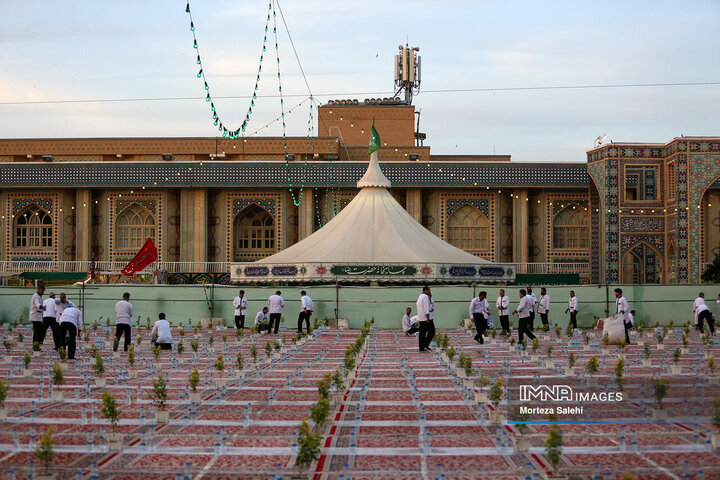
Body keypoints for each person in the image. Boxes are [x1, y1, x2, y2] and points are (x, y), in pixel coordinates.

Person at [416, 286, 432, 351]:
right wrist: (427, 316)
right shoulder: (425, 297)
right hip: (425, 318)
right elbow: (426, 307)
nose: (430, 291)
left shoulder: (420, 296)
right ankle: (424, 345)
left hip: (421, 317)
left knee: (422, 333)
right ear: (426, 290)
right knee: (430, 331)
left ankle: (422, 346)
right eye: (429, 290)